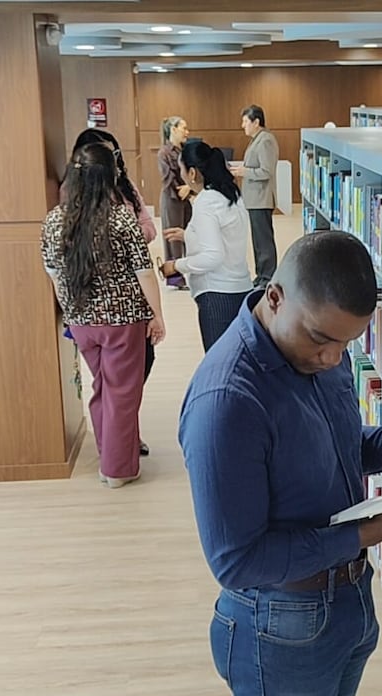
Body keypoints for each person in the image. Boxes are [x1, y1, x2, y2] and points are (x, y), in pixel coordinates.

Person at [178, 230, 382, 696]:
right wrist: (380, 529)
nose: (332, 359)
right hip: (279, 624)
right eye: (321, 339)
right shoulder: (227, 402)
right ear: (274, 298)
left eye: (346, 343)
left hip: (347, 600)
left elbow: (341, 449)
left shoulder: (322, 352)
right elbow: (236, 561)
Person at [42, 143, 166, 489]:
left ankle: (108, 453)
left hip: (81, 322)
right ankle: (117, 470)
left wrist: (70, 312)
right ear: (109, 177)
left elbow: (53, 273)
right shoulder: (121, 219)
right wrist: (157, 316)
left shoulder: (54, 220)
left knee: (102, 389)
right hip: (122, 321)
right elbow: (144, 272)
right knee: (123, 393)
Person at [68, 128, 158, 455]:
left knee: (135, 371)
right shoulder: (71, 195)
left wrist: (128, 236)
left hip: (131, 298)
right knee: (110, 383)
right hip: (96, 303)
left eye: (114, 155)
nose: (113, 164)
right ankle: (119, 447)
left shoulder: (126, 192)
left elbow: (147, 227)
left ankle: (121, 435)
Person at [158, 141, 253, 351]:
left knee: (219, 365)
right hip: (240, 290)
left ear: (192, 173)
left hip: (217, 296)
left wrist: (176, 266)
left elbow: (213, 256)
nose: (181, 175)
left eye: (182, 169)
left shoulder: (206, 202)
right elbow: (226, 236)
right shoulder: (230, 194)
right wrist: (188, 235)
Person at [229, 104, 279, 288]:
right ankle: (261, 275)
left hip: (261, 198)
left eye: (245, 121)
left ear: (256, 122)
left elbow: (266, 171)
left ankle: (268, 277)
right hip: (253, 199)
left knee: (264, 240)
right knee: (257, 240)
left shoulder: (266, 140)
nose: (243, 125)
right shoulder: (256, 139)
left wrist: (244, 172)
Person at [158, 115, 192, 289]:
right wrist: (183, 189)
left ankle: (190, 269)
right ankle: (174, 276)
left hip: (187, 198)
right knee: (174, 238)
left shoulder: (186, 150)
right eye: (183, 128)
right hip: (172, 198)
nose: (187, 132)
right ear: (173, 129)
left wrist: (190, 188)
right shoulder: (164, 152)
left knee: (189, 234)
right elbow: (167, 178)